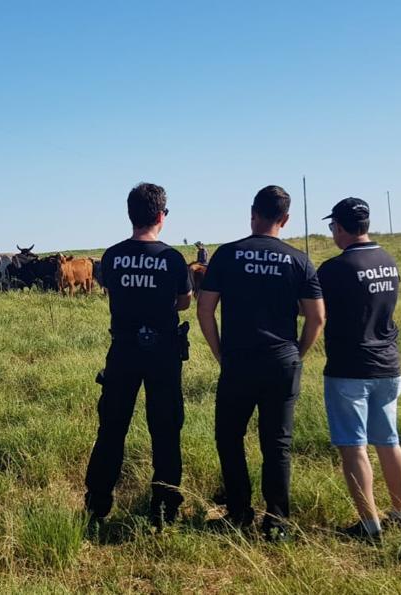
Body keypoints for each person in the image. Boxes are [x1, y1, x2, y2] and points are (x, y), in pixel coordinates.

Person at [196, 185, 325, 541]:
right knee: (277, 443)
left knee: (229, 437)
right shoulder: (299, 260)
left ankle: (239, 512)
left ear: (252, 213)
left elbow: (205, 309)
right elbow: (317, 318)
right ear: (285, 219)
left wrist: (219, 352)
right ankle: (277, 522)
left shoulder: (227, 255)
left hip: (238, 360)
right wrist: (297, 353)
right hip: (282, 361)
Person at [84, 182, 193, 530]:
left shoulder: (112, 257)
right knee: (166, 429)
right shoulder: (173, 259)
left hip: (123, 350)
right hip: (163, 352)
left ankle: (97, 504)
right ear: (161, 216)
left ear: (130, 215)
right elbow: (184, 302)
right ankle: (164, 509)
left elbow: (111, 289)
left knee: (111, 428)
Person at [318, 197, 401, 542]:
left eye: (333, 227)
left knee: (354, 446)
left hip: (349, 367)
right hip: (388, 365)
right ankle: (398, 513)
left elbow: (313, 309)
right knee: (388, 441)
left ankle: (370, 526)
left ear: (340, 227)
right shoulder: (388, 261)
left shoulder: (336, 268)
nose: (333, 233)